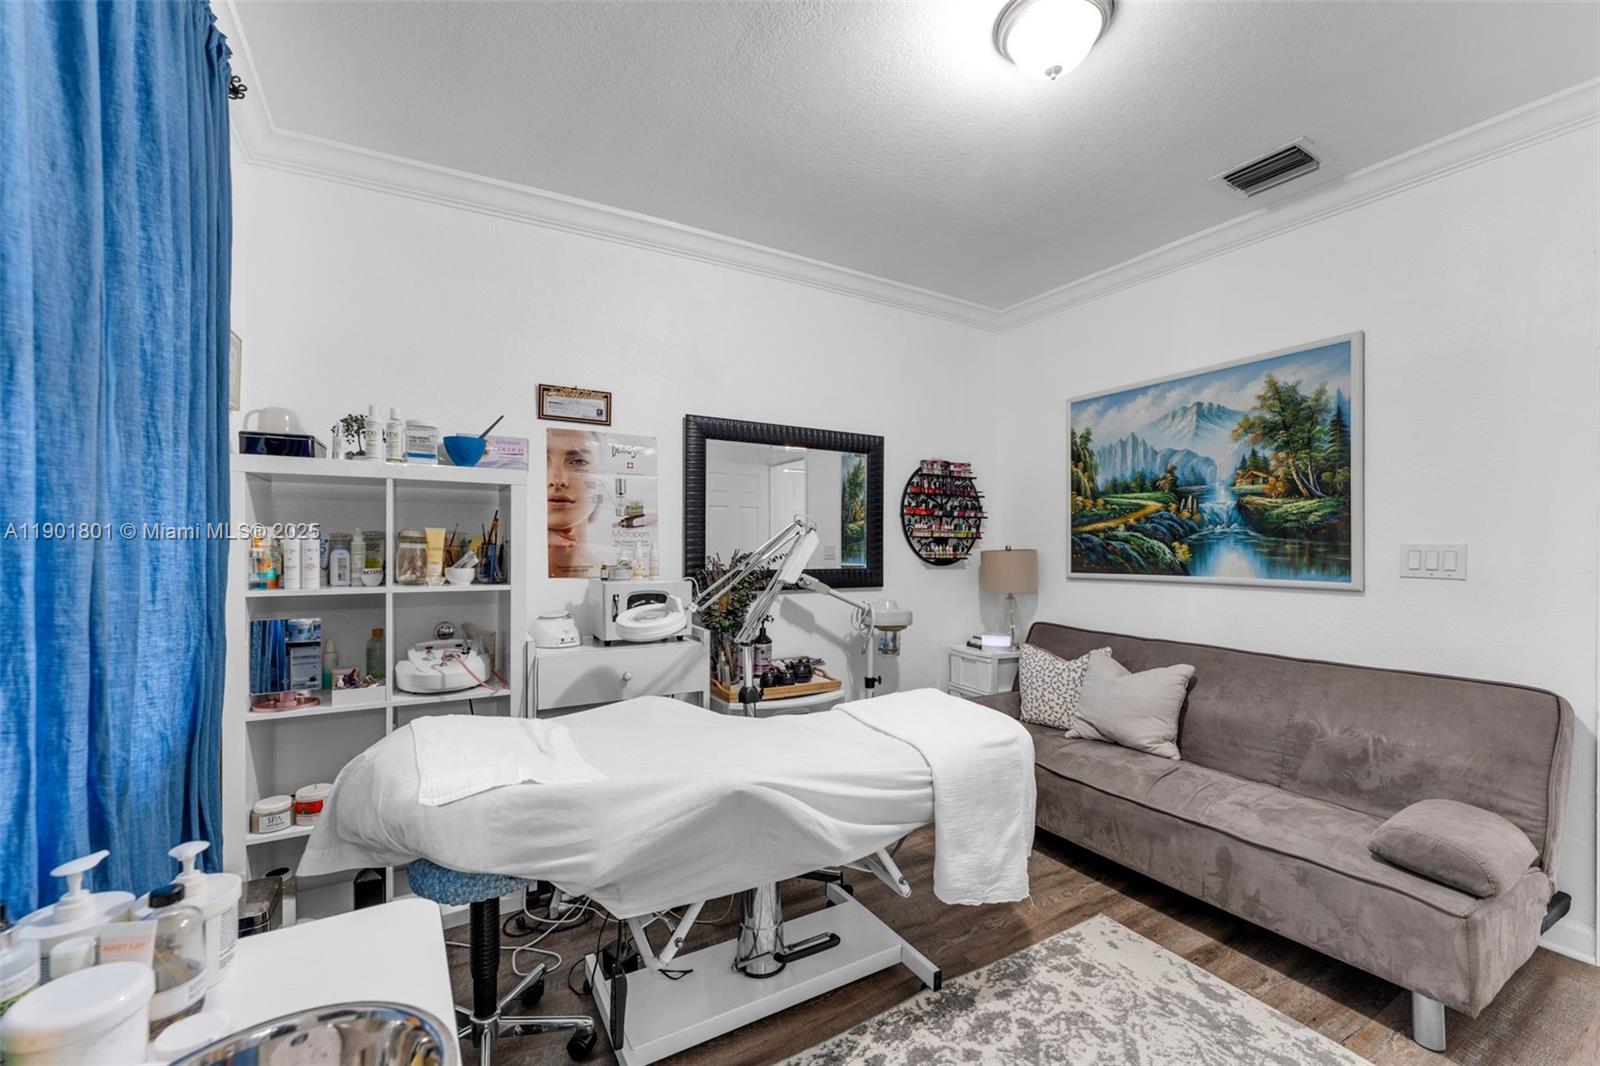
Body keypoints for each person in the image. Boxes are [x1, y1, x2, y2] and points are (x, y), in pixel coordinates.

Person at [547, 428, 609, 577]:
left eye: (578, 461)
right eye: (540, 461)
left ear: (601, 481)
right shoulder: (515, 569)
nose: (558, 481)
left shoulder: (608, 574)